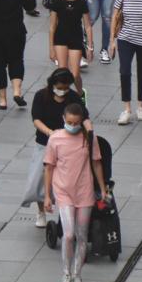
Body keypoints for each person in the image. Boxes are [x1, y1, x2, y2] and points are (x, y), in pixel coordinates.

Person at [44, 103, 108, 282]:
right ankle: (65, 274)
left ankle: (77, 275)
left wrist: (103, 189)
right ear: (63, 119)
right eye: (69, 121)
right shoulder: (55, 139)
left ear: (82, 122)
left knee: (81, 235)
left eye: (76, 122)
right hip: (63, 191)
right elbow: (48, 168)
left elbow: (97, 163)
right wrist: (48, 195)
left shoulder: (89, 139)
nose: (72, 125)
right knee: (69, 234)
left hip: (84, 191)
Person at [22, 69, 86, 227]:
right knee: (39, 179)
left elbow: (84, 117)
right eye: (60, 87)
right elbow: (36, 119)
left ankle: (67, 210)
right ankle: (41, 210)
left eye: (66, 87)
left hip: (68, 145)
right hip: (45, 142)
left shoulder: (73, 98)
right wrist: (50, 133)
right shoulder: (41, 96)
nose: (63, 90)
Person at [49, 0, 93, 95]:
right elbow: (52, 27)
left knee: (75, 73)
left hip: (76, 39)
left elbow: (88, 26)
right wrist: (51, 48)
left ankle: (80, 93)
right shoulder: (57, 3)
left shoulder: (81, 3)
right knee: (62, 71)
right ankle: (64, 95)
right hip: (60, 39)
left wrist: (90, 46)